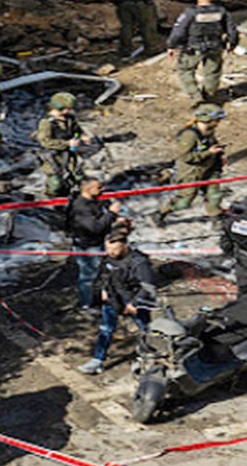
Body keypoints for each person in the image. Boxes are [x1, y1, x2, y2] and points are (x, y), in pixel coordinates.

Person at [78, 232, 157, 375]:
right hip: (112, 300)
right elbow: (102, 276)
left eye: (114, 249)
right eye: (107, 249)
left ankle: (148, 359)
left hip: (133, 301)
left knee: (145, 330)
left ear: (125, 246)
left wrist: (134, 303)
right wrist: (102, 290)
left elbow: (148, 286)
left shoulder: (139, 262)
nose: (110, 252)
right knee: (106, 330)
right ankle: (97, 360)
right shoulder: (108, 259)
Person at [155, 105, 226, 229]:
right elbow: (185, 157)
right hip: (191, 173)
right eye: (217, 120)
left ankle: (216, 219)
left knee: (214, 196)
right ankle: (161, 213)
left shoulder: (209, 130)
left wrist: (218, 155)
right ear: (207, 119)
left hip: (209, 169)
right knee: (184, 202)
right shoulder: (189, 135)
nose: (218, 123)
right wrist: (209, 153)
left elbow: (211, 144)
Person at [167, 0, 239, 105]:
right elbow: (232, 29)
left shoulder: (190, 13)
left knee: (185, 70)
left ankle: (196, 96)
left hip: (193, 47)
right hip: (215, 46)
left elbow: (179, 31)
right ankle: (209, 95)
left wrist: (171, 45)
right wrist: (232, 43)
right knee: (213, 72)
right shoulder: (221, 11)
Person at [69, 178, 131, 311]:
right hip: (88, 246)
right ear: (88, 189)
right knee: (88, 275)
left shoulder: (93, 201)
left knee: (101, 272)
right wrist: (111, 213)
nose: (102, 190)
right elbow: (94, 227)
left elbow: (100, 217)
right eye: (99, 187)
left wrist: (115, 218)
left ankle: (101, 297)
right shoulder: (81, 207)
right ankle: (86, 304)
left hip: (97, 242)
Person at [34, 92, 96, 198]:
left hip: (69, 154)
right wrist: (67, 143)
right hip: (54, 156)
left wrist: (80, 136)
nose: (69, 111)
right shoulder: (47, 122)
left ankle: (69, 196)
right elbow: (45, 141)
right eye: (67, 108)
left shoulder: (69, 118)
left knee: (74, 177)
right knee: (55, 182)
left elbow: (76, 130)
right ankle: (53, 199)